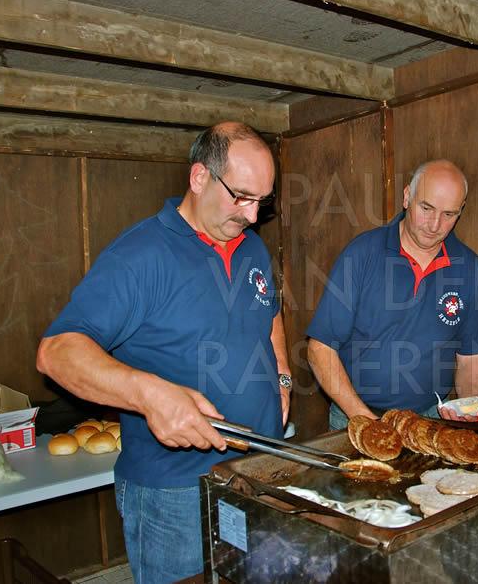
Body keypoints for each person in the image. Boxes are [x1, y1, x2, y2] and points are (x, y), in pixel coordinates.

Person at [36, 122, 292, 583]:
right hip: (175, 491)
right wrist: (150, 394)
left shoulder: (251, 247)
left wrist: (283, 376)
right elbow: (57, 352)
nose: (253, 215)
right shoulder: (140, 255)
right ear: (199, 177)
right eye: (242, 197)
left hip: (256, 471)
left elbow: (269, 313)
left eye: (263, 201)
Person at [306, 159, 478, 430]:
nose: (434, 225)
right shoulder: (362, 254)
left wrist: (467, 410)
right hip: (354, 415)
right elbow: (320, 349)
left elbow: (471, 357)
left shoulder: (468, 267)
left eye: (449, 214)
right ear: (407, 197)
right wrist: (366, 420)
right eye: (426, 208)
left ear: (461, 210)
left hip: (430, 418)